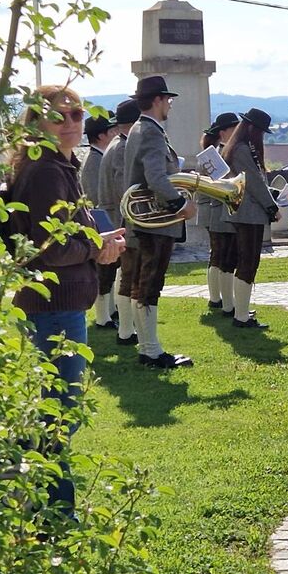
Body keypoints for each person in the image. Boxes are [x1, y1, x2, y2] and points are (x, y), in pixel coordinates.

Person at [9, 85, 125, 512]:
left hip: (57, 306)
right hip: (55, 307)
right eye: (59, 116)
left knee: (55, 412)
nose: (72, 122)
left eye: (77, 114)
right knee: (59, 416)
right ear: (37, 122)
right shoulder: (46, 171)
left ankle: (33, 500)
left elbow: (61, 238)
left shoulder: (56, 165)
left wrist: (98, 242)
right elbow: (52, 248)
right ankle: (53, 514)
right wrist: (97, 247)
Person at [124, 75, 196, 369]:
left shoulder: (139, 128)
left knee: (142, 285)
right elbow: (155, 177)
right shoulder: (151, 132)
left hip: (145, 224)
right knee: (150, 285)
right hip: (155, 224)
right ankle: (151, 351)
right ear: (157, 100)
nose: (170, 105)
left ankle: (147, 347)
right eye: (168, 99)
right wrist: (181, 204)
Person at [224, 108, 279, 328]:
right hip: (248, 213)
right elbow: (254, 182)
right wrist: (271, 206)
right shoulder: (242, 149)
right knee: (248, 262)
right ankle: (241, 315)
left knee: (248, 261)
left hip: (248, 212)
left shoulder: (240, 147)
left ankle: (242, 310)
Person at [98, 99, 141, 345]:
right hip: (124, 221)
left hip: (117, 218)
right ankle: (126, 330)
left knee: (126, 276)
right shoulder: (123, 147)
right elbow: (126, 189)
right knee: (129, 276)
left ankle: (127, 327)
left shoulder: (116, 144)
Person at [198, 112, 240, 312]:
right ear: (223, 132)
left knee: (218, 255)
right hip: (217, 210)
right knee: (223, 256)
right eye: (233, 128)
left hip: (213, 209)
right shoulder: (215, 154)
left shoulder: (214, 152)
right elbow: (226, 183)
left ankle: (218, 299)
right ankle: (223, 301)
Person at [81, 112, 119, 329]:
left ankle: (110, 311)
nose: (115, 133)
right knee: (104, 272)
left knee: (110, 271)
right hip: (100, 221)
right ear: (102, 135)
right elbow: (96, 197)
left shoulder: (99, 157)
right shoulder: (94, 160)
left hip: (105, 220)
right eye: (112, 130)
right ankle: (103, 317)